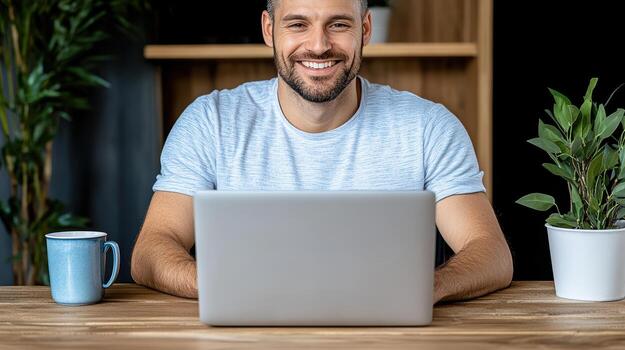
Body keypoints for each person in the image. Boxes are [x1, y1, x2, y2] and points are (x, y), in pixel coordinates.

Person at [131, 0, 513, 303]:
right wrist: (221, 286)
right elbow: (151, 250)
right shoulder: (209, 121)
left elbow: (490, 252)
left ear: (365, 29)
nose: (318, 45)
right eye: (298, 24)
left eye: (339, 24)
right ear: (269, 29)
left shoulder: (428, 127)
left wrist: (427, 287)